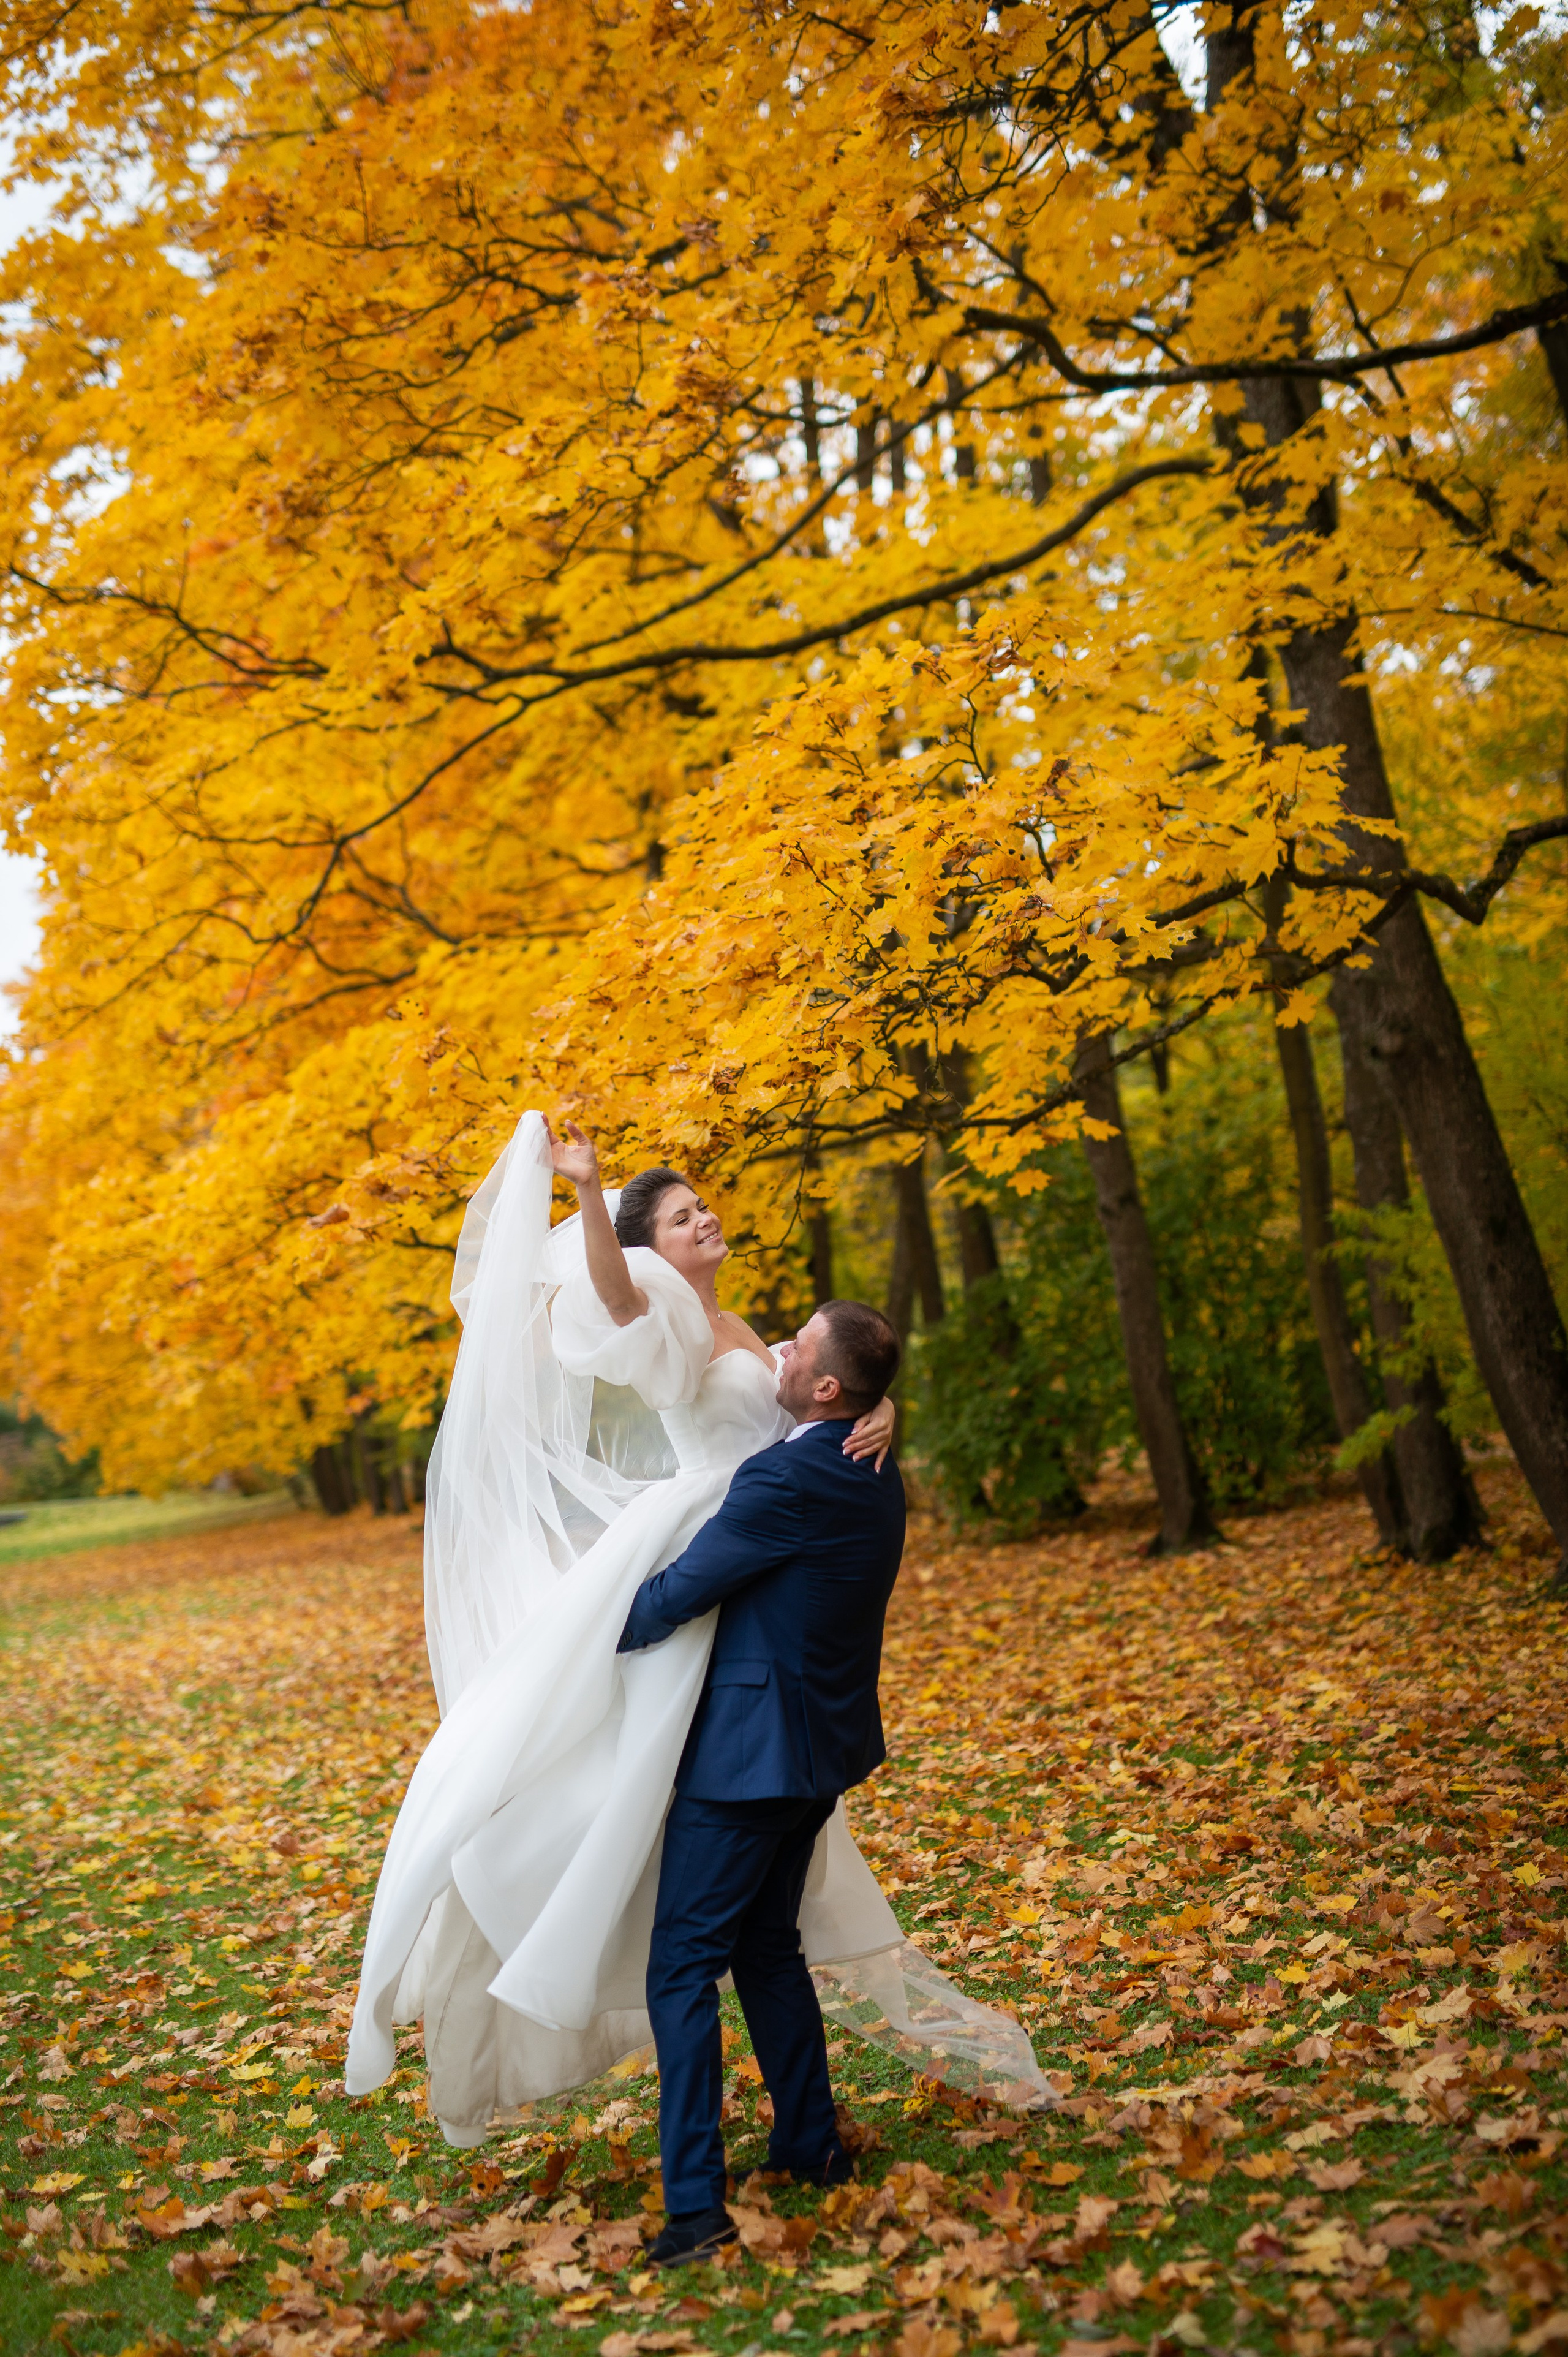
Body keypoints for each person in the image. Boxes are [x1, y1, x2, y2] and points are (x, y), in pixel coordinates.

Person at [345, 1110, 1051, 2144]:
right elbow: (622, 1298)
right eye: (679, 1216)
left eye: (699, 1205)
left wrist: (876, 1409)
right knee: (632, 1745)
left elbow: (810, 1400)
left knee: (727, 1809)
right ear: (653, 1246)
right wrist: (589, 1191)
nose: (702, 1218)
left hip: (767, 1542)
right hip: (715, 1531)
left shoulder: (751, 1328)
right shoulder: (666, 1307)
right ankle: (599, 1923)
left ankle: (758, 2092)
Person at [617, 1296, 905, 2266]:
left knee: (682, 1966)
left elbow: (676, 1596)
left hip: (749, 1760)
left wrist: (584, 1621)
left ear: (826, 1389)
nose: (778, 1349)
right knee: (766, 1948)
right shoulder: (873, 1462)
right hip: (817, 1753)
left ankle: (695, 2208)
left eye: (800, 1348)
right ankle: (810, 2143)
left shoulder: (781, 1478)